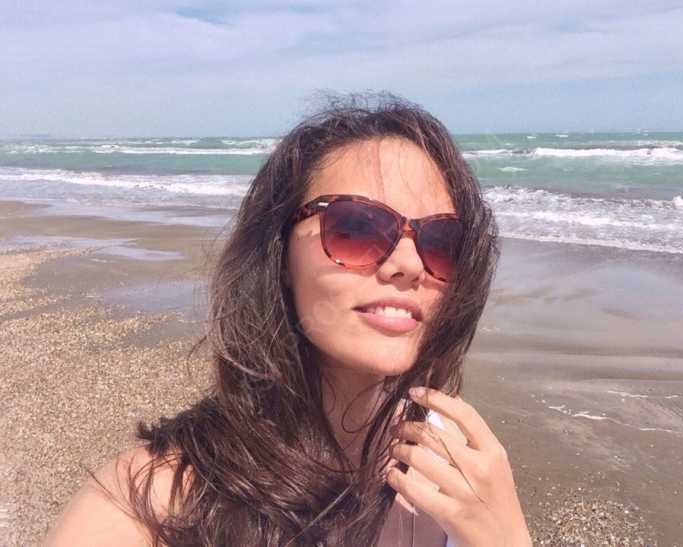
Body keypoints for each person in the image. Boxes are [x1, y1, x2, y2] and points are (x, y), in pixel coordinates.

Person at [44, 91, 532, 546]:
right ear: (279, 257)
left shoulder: (457, 463)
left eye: (441, 242)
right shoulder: (145, 509)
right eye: (357, 227)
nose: (408, 264)